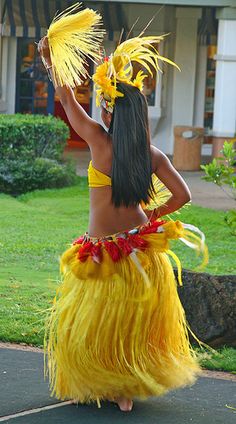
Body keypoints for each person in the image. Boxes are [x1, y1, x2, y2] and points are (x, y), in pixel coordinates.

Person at [38, 33, 206, 413]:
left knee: (94, 322)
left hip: (101, 252)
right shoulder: (152, 154)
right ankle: (123, 391)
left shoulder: (98, 142)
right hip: (139, 251)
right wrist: (151, 221)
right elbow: (183, 196)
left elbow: (65, 98)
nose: (99, 110)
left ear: (111, 114)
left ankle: (95, 384)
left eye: (102, 105)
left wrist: (51, 61)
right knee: (129, 323)